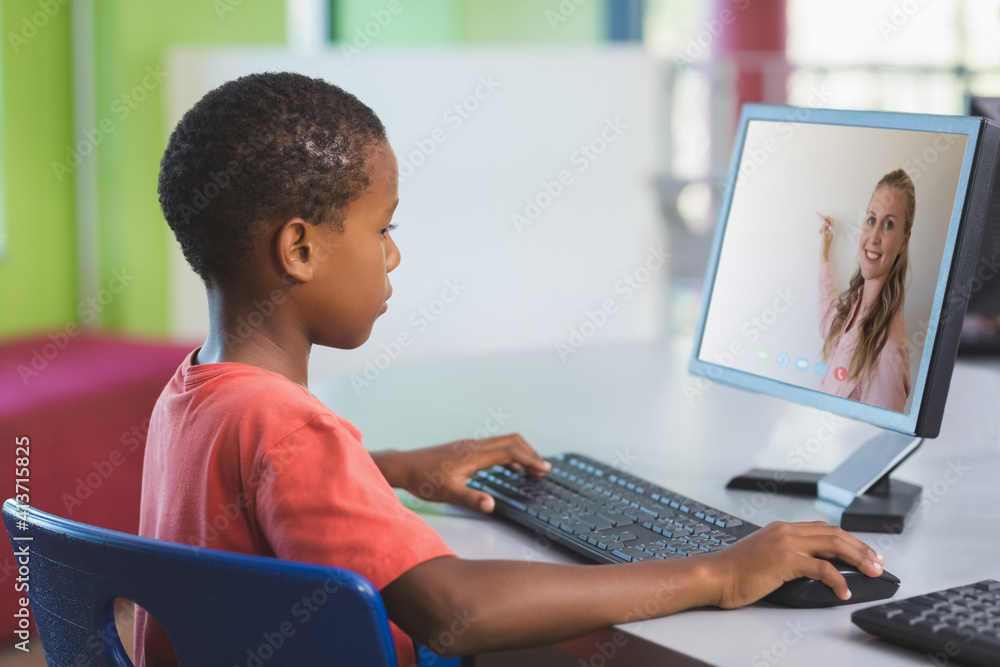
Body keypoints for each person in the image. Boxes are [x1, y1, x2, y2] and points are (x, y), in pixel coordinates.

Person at [137, 72, 887, 666]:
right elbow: (455, 610)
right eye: (383, 227)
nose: (393, 253)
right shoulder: (292, 424)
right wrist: (719, 571)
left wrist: (388, 468)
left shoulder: (193, 389)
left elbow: (253, 482)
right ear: (299, 249)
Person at [817, 169, 914, 413]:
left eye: (888, 225)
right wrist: (824, 253)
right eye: (871, 220)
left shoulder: (888, 348)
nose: (873, 237)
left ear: (904, 240)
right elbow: (827, 319)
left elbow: (879, 443)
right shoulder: (853, 308)